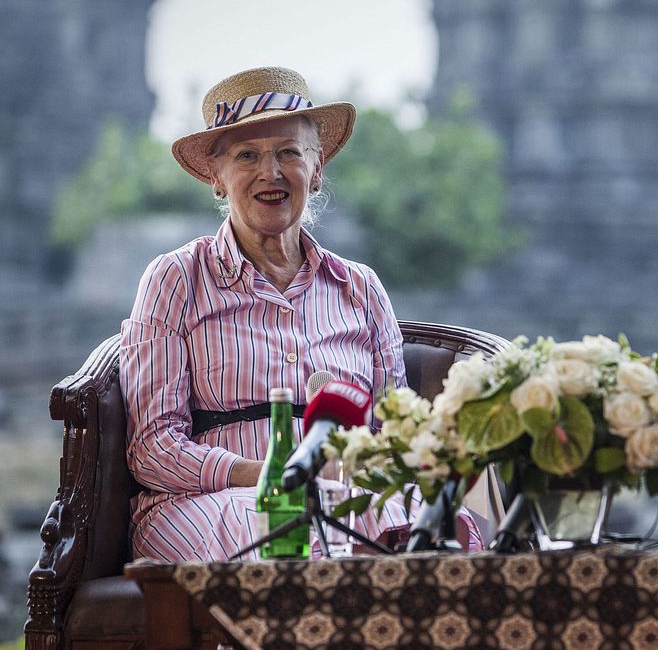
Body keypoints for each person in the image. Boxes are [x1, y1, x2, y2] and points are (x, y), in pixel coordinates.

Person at [120, 66, 481, 560]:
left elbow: (397, 434)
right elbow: (152, 449)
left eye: (289, 152)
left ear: (317, 169)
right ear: (216, 178)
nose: (270, 172)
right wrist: (274, 472)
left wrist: (353, 474)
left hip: (343, 494)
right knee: (280, 523)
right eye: (247, 155)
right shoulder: (177, 279)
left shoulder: (361, 288)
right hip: (205, 501)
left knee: (435, 526)